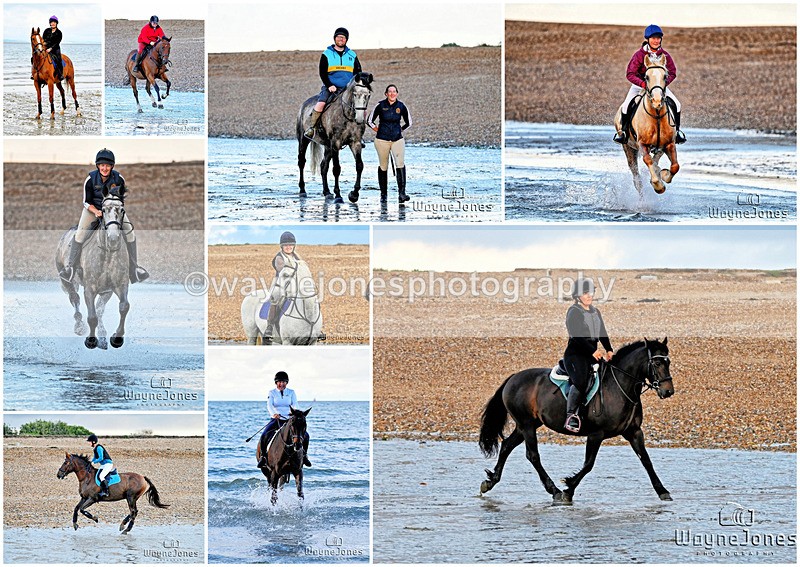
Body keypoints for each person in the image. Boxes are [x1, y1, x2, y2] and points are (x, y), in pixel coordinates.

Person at [59, 148, 149, 285]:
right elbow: (85, 201)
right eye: (102, 165)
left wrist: (112, 212)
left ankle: (134, 269)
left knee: (131, 234)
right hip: (92, 210)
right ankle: (70, 268)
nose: (105, 168)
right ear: (98, 166)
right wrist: (96, 212)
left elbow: (121, 201)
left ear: (112, 166)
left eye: (107, 165)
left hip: (113, 211)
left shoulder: (119, 179)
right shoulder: (90, 179)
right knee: (79, 235)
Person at [613, 24, 685, 145]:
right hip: (639, 86)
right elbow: (630, 74)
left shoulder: (665, 55)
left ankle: (677, 132)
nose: (656, 41)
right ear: (648, 39)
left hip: (658, 88)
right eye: (653, 38)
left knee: (677, 104)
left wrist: (662, 84)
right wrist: (642, 84)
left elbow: (672, 72)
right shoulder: (639, 55)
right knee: (626, 106)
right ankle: (624, 133)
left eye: (658, 38)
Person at [563, 278, 614, 433]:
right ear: (578, 296)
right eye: (585, 293)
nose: (589, 296)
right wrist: (592, 351)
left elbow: (602, 332)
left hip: (592, 355)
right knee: (581, 381)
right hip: (575, 355)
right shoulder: (574, 312)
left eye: (590, 292)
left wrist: (609, 349)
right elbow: (576, 336)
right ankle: (571, 416)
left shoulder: (595, 311)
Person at [304, 27, 363, 138]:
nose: (341, 39)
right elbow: (322, 73)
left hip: (348, 89)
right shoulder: (327, 54)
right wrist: (329, 85)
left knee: (360, 106)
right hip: (331, 88)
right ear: (335, 38)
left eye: (343, 37)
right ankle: (312, 128)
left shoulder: (352, 55)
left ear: (346, 40)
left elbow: (358, 72)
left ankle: (359, 134)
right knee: (320, 104)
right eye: (338, 37)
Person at [368, 84, 412, 204]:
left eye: (394, 92)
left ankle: (401, 193)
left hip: (397, 139)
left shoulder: (401, 106)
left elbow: (409, 122)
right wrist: (376, 129)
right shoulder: (380, 105)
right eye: (389, 92)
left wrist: (400, 130)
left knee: (400, 164)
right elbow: (369, 120)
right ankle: (383, 195)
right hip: (382, 140)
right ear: (386, 94)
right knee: (383, 166)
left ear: (397, 93)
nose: (392, 94)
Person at [258, 371, 311, 467]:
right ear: (276, 382)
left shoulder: (291, 392)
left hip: (290, 420)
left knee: (306, 435)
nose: (281, 384)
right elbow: (269, 405)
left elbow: (295, 404)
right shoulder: (272, 393)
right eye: (279, 382)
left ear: (286, 383)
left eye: (283, 382)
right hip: (276, 419)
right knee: (264, 435)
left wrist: (295, 412)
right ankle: (263, 457)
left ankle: (304, 455)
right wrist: (273, 414)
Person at [263, 231, 302, 340]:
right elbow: (283, 270)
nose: (288, 247)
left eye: (290, 245)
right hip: (281, 283)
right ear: (282, 246)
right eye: (286, 245)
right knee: (276, 300)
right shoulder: (279, 258)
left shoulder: (297, 257)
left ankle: (312, 326)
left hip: (295, 282)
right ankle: (269, 327)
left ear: (294, 246)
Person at [31, 16, 63, 82]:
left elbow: (57, 43)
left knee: (58, 59)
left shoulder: (59, 32)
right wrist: (43, 46)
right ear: (50, 23)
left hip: (55, 49)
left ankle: (60, 74)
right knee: (34, 57)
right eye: (51, 22)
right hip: (45, 47)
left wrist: (51, 49)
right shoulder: (46, 30)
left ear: (56, 23)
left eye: (54, 22)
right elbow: (43, 39)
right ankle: (33, 73)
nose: (53, 23)